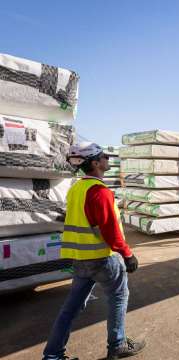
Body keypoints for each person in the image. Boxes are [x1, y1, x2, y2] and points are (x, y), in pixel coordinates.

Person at [42, 142, 145, 360]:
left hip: (80, 260)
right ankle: (117, 345)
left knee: (71, 308)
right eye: (104, 156)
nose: (108, 158)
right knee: (118, 297)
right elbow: (109, 230)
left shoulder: (76, 189)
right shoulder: (100, 192)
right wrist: (127, 253)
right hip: (103, 259)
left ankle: (52, 355)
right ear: (96, 163)